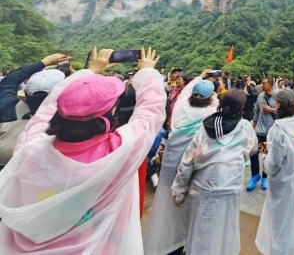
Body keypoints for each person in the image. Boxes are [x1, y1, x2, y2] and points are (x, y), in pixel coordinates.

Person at [0, 47, 165, 254]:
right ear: (111, 111)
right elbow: (150, 112)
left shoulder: (31, 146)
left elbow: (45, 111)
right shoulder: (120, 151)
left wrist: (90, 71)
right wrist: (148, 72)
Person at [171, 90, 257, 255]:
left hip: (203, 190)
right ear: (241, 109)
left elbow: (188, 162)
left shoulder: (205, 128)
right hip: (230, 190)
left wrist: (179, 191)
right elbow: (252, 149)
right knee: (225, 232)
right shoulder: (245, 127)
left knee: (200, 234)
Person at [144, 70, 218, 255]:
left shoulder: (180, 107)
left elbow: (185, 93)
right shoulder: (210, 113)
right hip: (192, 167)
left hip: (170, 165)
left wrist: (200, 76)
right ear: (210, 99)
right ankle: (185, 243)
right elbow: (216, 102)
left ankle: (169, 245)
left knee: (169, 205)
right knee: (188, 206)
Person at [255, 89, 294, 255]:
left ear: (279, 105)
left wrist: (263, 155)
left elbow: (272, 165)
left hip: (284, 183)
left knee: (279, 225)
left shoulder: (279, 129)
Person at [0, 54, 68, 168]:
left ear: (26, 90)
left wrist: (43, 62)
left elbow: (9, 81)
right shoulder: (66, 122)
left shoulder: (6, 106)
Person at [247, 77, 277, 192]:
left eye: (264, 83)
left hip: (270, 130)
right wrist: (253, 126)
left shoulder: (277, 96)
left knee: (265, 154)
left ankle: (265, 177)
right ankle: (255, 175)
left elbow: (284, 112)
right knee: (253, 152)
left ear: (270, 84)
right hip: (259, 129)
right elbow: (257, 112)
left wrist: (272, 110)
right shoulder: (260, 96)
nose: (262, 85)